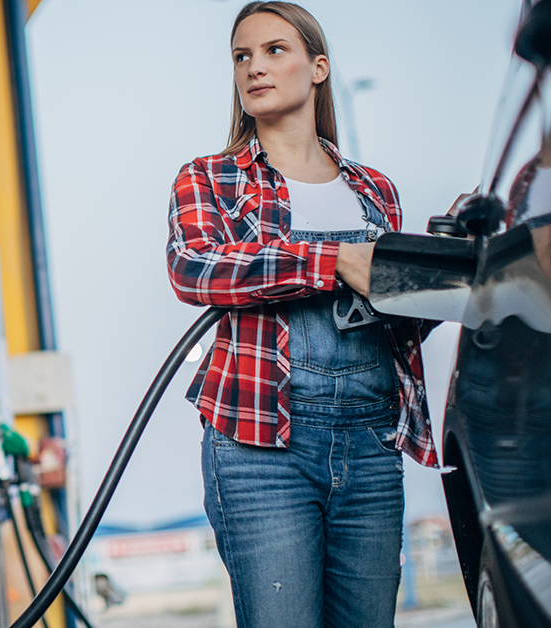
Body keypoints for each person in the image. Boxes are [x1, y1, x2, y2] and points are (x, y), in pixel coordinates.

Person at [165, 3, 439, 627]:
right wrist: (332, 260)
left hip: (370, 444)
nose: (254, 68)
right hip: (261, 446)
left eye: (273, 51)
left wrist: (437, 274)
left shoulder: (375, 190)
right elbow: (195, 268)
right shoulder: (210, 179)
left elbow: (392, 322)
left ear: (318, 68)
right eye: (242, 57)